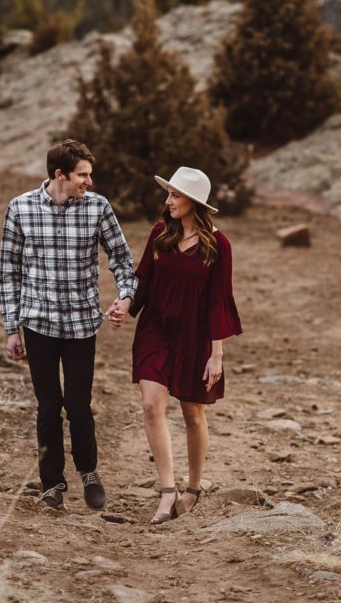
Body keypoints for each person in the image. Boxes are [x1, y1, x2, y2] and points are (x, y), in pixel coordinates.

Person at [0, 138, 136, 511]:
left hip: (81, 324)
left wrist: (125, 297)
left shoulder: (97, 208)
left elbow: (122, 259)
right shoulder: (21, 208)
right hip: (38, 323)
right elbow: (7, 271)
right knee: (47, 406)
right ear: (60, 175)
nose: (89, 182)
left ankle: (89, 473)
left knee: (78, 404)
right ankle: (51, 483)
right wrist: (12, 327)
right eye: (83, 175)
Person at [126, 166, 241, 524]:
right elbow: (142, 278)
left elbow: (220, 301)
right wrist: (124, 304)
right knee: (150, 405)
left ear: (193, 202)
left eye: (175, 195)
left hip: (195, 338)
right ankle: (166, 491)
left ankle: (192, 488)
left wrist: (216, 354)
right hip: (155, 330)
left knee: (193, 414)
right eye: (169, 194)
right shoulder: (161, 233)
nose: (168, 200)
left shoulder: (218, 246)